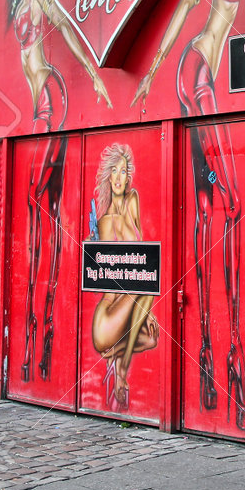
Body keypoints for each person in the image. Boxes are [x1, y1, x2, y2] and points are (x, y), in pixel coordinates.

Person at [132, 0, 245, 430]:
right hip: (199, 67)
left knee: (212, 213)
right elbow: (187, 3)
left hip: (211, 72)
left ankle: (212, 362)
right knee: (228, 208)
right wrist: (155, 66)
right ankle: (223, 361)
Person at [8, 0, 112, 383]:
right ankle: (41, 347)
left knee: (37, 211)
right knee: (43, 221)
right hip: (34, 109)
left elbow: (65, 28)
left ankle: (41, 340)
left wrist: (93, 73)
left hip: (51, 97)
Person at [89, 144, 159, 411]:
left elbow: (139, 252)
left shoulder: (133, 200)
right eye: (115, 172)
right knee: (147, 282)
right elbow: (115, 277)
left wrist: (145, 312)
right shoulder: (105, 222)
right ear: (108, 177)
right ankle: (121, 372)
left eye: (124, 171)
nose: (119, 177)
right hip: (106, 317)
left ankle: (114, 355)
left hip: (125, 309)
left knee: (152, 339)